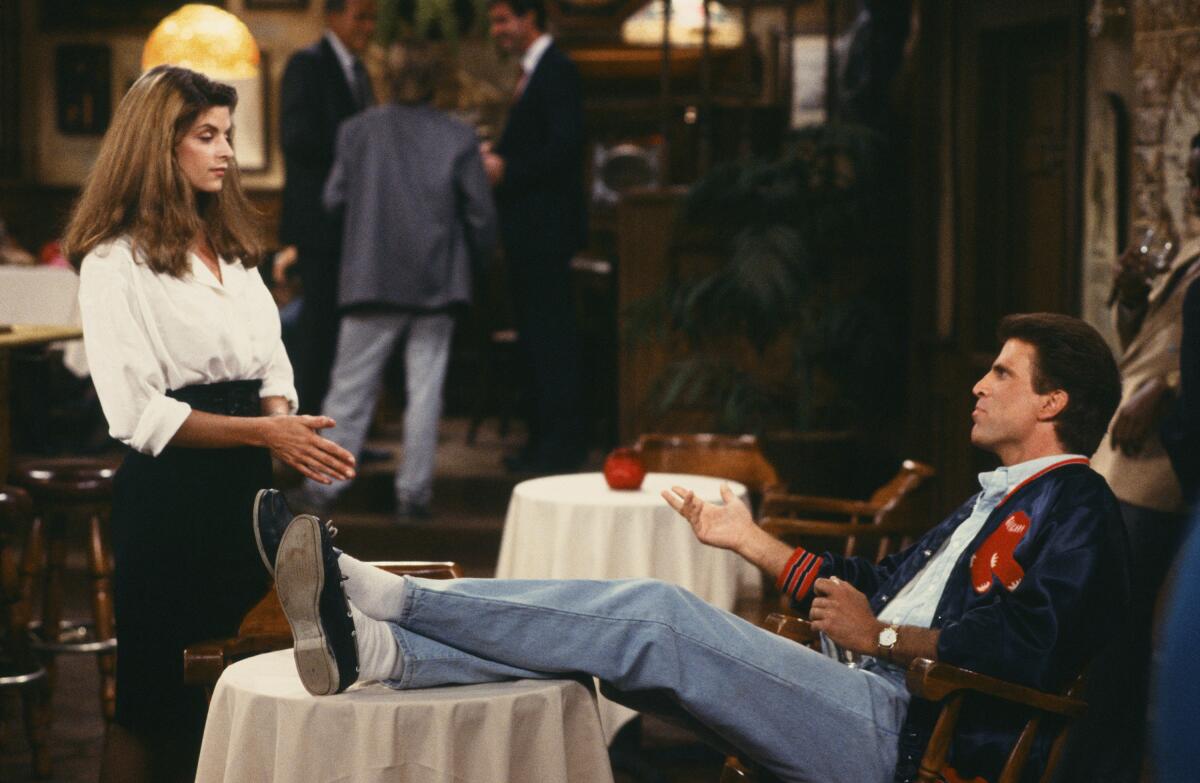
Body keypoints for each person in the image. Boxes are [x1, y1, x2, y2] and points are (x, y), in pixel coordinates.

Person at [255, 312, 1127, 783]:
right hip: (859, 693)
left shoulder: (1079, 505)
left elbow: (1034, 648)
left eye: (1003, 373)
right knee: (599, 651)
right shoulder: (989, 502)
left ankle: (385, 594)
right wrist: (746, 537)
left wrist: (886, 639)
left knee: (655, 614)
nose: (978, 383)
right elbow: (870, 587)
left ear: (1054, 404)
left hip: (905, 737)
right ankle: (381, 645)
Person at [63, 65, 356, 783]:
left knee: (252, 685)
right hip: (171, 502)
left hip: (250, 499)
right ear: (158, 146)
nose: (225, 151)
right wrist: (267, 434)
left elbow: (270, 360)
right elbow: (138, 414)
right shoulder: (115, 260)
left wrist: (287, 431)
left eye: (227, 134)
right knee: (151, 705)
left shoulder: (226, 248)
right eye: (206, 136)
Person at [292, 45, 497, 520]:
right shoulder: (457, 135)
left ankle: (321, 491)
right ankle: (413, 496)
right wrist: (480, 265)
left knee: (350, 389)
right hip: (437, 280)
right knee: (427, 390)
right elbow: (481, 215)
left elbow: (333, 198)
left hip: (371, 272)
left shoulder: (356, 131)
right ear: (438, 81)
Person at [1083, 131, 1200, 780]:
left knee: (1123, 636)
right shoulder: (1188, 252)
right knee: (1109, 630)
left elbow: (1187, 367)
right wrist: (1132, 296)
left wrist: (1170, 387)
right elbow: (1144, 345)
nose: (1195, 193)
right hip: (1121, 455)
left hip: (1159, 471)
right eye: (1190, 178)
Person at [481, 0, 588, 472]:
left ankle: (557, 448)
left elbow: (566, 147)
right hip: (530, 232)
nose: (496, 30)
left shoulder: (556, 70)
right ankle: (543, 443)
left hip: (546, 232)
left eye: (503, 20)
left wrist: (507, 167)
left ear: (530, 20)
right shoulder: (536, 71)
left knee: (549, 340)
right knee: (537, 338)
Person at [280, 0, 377, 414]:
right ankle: (306, 428)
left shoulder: (360, 71)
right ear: (333, 16)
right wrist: (356, 150)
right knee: (318, 332)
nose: (369, 27)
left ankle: (341, 433)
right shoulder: (307, 65)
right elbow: (296, 137)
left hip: (352, 226)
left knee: (345, 335)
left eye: (373, 17)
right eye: (362, 16)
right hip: (320, 224)